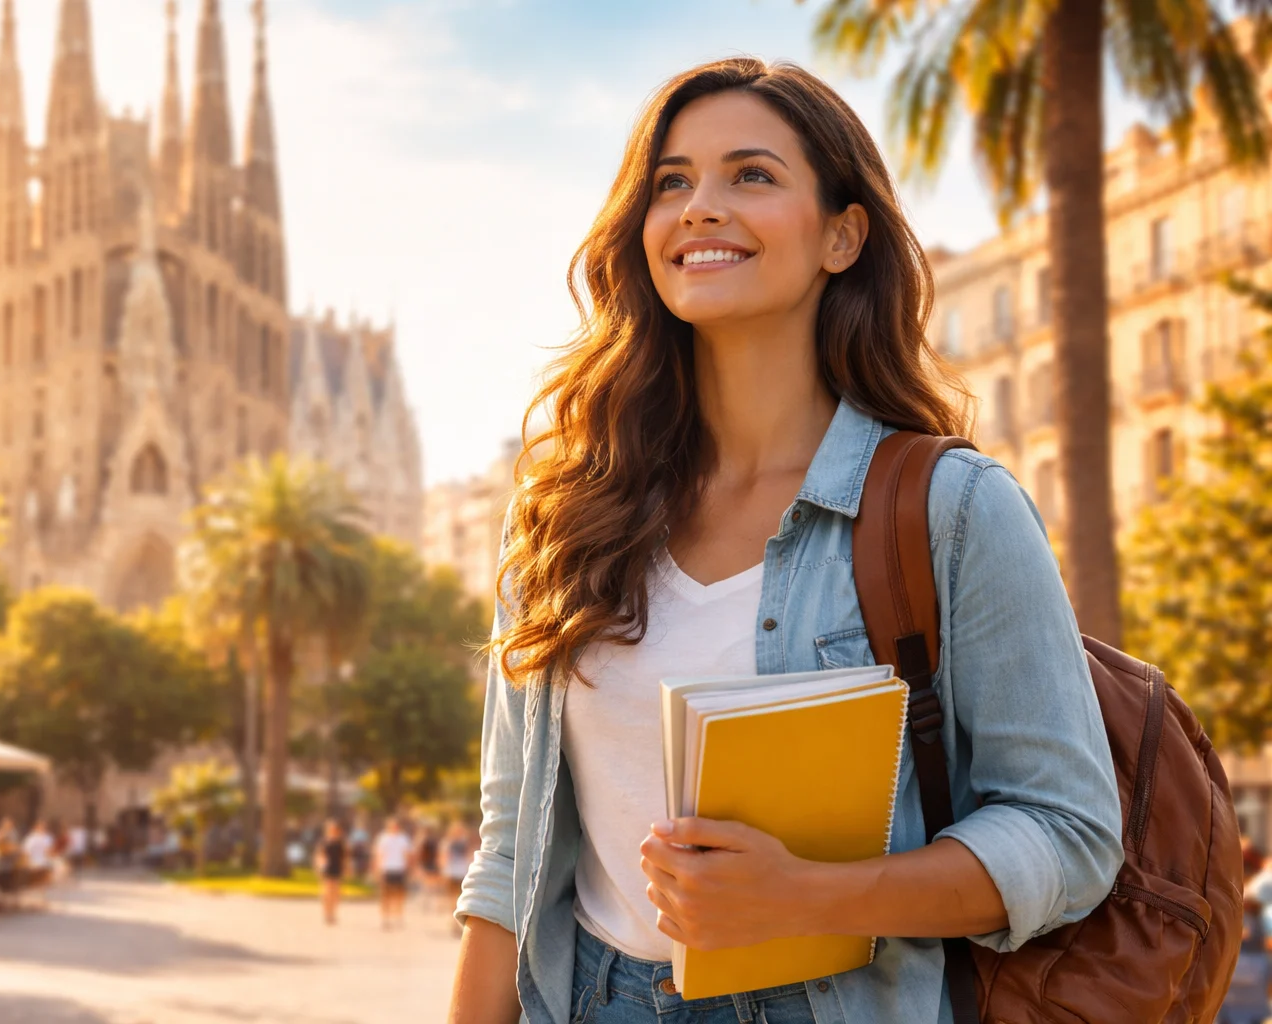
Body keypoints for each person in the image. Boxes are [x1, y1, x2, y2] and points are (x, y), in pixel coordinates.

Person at [447, 58, 1122, 1024]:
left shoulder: (952, 508)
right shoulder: (563, 511)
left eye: (751, 176)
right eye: (671, 181)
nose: (700, 208)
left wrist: (812, 895)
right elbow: (511, 849)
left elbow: (1067, 832)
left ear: (843, 236)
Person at [373, 816, 413, 930]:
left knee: (399, 895)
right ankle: (385, 918)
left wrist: (408, 868)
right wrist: (377, 870)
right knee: (385, 895)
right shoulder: (383, 838)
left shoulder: (403, 839)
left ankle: (398, 917)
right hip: (386, 869)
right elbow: (379, 855)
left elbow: (407, 854)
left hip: (399, 869)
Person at [315, 819, 347, 926]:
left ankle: (333, 913)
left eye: (334, 829)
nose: (332, 831)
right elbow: (319, 855)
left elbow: (345, 857)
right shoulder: (324, 841)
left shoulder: (341, 842)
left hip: (337, 868)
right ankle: (326, 913)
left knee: (336, 893)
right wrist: (319, 867)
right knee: (326, 892)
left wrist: (347, 868)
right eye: (330, 829)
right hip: (327, 868)